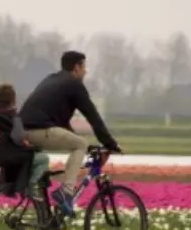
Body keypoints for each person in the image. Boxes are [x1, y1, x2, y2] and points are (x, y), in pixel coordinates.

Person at [18, 51, 121, 216]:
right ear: (76, 67)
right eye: (84, 67)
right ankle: (66, 192)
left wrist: (88, 146)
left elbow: (62, 125)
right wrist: (111, 144)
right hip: (38, 130)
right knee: (80, 144)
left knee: (78, 144)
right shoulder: (74, 84)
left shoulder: (52, 79)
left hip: (23, 132)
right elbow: (93, 116)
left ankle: (46, 219)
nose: (85, 71)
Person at [0, 83, 51, 201]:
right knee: (43, 159)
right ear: (13, 99)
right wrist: (31, 145)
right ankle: (32, 185)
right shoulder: (12, 116)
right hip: (13, 156)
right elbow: (19, 138)